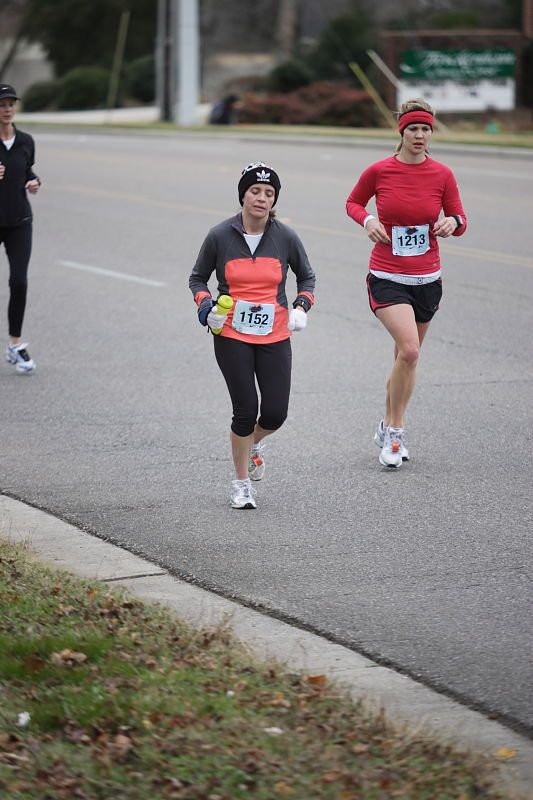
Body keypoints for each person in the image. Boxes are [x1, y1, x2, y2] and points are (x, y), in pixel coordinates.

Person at [346, 98, 467, 468]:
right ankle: (395, 435)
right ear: (402, 132)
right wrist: (368, 222)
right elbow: (353, 203)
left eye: (426, 129)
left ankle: (386, 423)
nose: (420, 135)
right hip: (387, 276)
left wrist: (453, 224)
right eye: (413, 128)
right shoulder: (380, 171)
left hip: (428, 279)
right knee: (411, 350)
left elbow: (460, 216)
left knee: (405, 358)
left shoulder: (442, 174)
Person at [189, 161, 316, 508]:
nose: (261, 198)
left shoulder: (285, 237)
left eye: (269, 193)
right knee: (245, 410)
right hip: (231, 333)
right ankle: (241, 483)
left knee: (275, 413)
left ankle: (254, 442)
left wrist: (301, 307)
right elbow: (197, 278)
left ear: (274, 200)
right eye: (255, 191)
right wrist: (206, 309)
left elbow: (307, 277)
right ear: (243, 195)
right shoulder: (219, 236)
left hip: (275, 333)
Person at [0, 84, 41, 374]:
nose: (8, 108)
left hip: (19, 222)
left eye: (11, 103)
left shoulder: (26, 141)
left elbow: (27, 172)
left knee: (20, 282)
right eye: (2, 104)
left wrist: (34, 181)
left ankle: (15, 344)